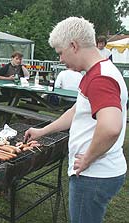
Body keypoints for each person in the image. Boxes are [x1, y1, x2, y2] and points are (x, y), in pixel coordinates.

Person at [24, 17, 127, 223]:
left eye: (61, 52)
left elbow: (111, 128)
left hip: (93, 176)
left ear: (74, 45)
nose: (61, 59)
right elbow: (76, 111)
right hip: (98, 172)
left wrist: (88, 157)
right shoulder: (95, 72)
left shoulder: (100, 78)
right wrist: (43, 131)